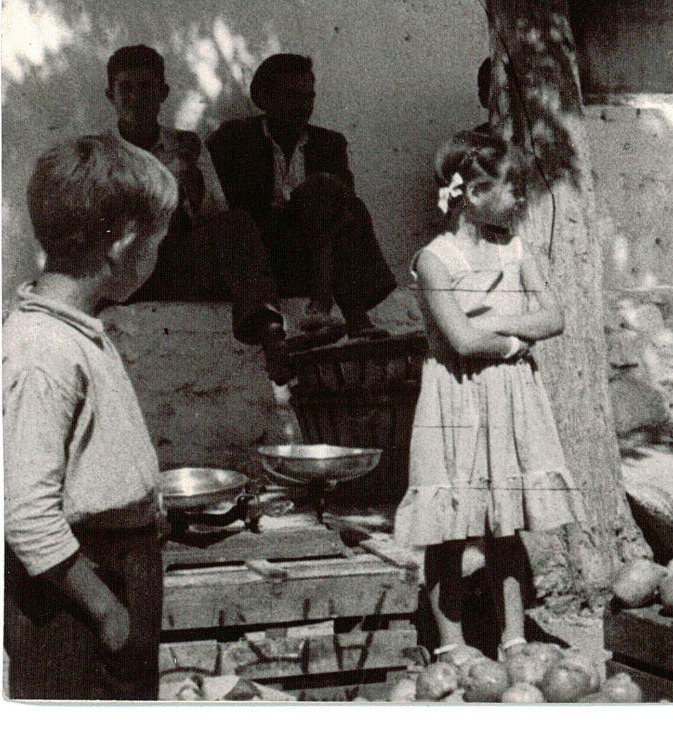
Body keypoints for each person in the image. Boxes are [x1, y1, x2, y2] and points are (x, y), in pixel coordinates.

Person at [394, 131, 585, 659]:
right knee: (450, 525)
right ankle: (451, 645)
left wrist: (497, 322)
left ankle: (514, 637)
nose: (521, 198)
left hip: (511, 399)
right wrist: (516, 340)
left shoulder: (515, 250)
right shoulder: (435, 261)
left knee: (506, 521)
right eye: (513, 188)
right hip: (455, 398)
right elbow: (461, 340)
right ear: (476, 193)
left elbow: (554, 317)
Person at [5, 135, 176, 700]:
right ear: (124, 243)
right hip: (75, 602)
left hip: (115, 575)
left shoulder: (76, 332)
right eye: (157, 241)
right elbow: (27, 516)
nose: (158, 255)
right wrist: (107, 612)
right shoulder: (42, 350)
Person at [102, 46, 297, 439]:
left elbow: (216, 216)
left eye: (147, 87)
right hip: (128, 276)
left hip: (175, 266)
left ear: (163, 93)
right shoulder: (98, 154)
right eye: (126, 88)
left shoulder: (186, 146)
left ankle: (271, 333)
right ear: (111, 95)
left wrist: (192, 190)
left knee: (237, 222)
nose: (137, 97)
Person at [208, 53, 397, 341]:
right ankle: (338, 313)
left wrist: (312, 201)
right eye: (293, 97)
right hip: (258, 263)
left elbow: (344, 211)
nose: (303, 107)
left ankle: (344, 313)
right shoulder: (234, 140)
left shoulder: (329, 144)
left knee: (330, 192)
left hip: (311, 260)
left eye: (309, 97)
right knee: (316, 192)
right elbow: (228, 210)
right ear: (264, 98)